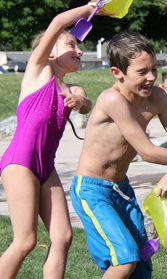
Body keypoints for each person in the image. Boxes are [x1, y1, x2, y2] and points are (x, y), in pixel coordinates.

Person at [69, 31, 167, 279]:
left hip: (121, 189)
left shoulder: (157, 97)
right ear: (117, 73)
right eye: (142, 72)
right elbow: (147, 151)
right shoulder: (112, 100)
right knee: (125, 258)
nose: (151, 77)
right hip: (92, 190)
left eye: (154, 69)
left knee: (142, 262)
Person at [0, 5, 94, 278]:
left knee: (63, 236)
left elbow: (86, 105)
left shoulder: (73, 89)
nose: (79, 51)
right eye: (72, 45)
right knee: (26, 240)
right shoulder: (38, 73)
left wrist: (80, 102)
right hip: (21, 163)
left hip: (45, 167)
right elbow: (55, 24)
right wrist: (92, 8)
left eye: (79, 47)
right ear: (50, 52)